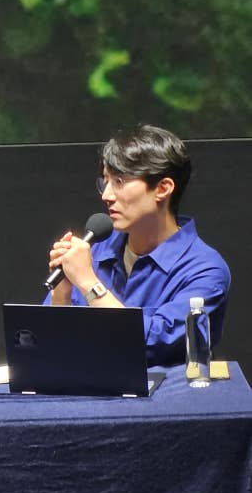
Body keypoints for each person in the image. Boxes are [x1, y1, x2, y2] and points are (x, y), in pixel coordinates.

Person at [46, 124, 230, 366]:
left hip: (166, 390)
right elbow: (51, 345)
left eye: (120, 181)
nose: (106, 195)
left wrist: (89, 284)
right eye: (105, 182)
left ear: (163, 188)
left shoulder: (205, 270)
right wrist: (62, 293)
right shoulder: (96, 251)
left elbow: (151, 346)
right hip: (87, 386)